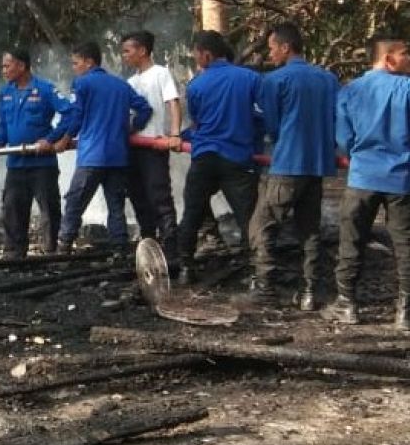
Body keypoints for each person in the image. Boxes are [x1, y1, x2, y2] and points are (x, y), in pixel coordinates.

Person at [241, 23, 340, 310]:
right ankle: (309, 292)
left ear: (286, 47)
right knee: (309, 229)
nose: (270, 54)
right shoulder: (328, 79)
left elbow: (272, 124)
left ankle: (264, 288)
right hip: (318, 164)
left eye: (272, 48)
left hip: (288, 163)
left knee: (262, 225)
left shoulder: (275, 80)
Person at [325, 35, 410, 328]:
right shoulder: (408, 89)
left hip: (362, 176)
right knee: (405, 244)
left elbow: (343, 139)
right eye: (405, 54)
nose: (409, 59)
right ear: (388, 59)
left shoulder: (350, 91)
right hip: (402, 179)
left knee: (352, 240)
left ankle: (347, 305)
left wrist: (358, 155)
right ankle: (405, 313)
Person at [176, 30, 263, 284]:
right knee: (247, 215)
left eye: (195, 55)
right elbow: (262, 116)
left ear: (206, 54)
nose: (195, 60)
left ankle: (186, 267)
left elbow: (197, 123)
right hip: (238, 157)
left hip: (204, 156)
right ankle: (255, 272)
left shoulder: (196, 86)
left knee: (191, 211)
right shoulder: (249, 78)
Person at [56, 41, 152, 253]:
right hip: (118, 157)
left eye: (76, 63)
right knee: (115, 205)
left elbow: (77, 115)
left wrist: (65, 138)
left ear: (89, 62)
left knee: (75, 201)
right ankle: (120, 248)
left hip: (92, 156)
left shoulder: (82, 84)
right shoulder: (120, 85)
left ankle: (64, 244)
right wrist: (132, 127)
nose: (74, 67)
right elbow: (144, 108)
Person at [0, 49, 73, 258]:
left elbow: (70, 113)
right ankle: (15, 253)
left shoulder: (45, 89)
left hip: (42, 164)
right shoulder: (5, 92)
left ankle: (51, 252)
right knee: (12, 209)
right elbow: (3, 124)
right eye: (3, 66)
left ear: (22, 66)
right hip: (15, 164)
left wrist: (51, 139)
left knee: (49, 210)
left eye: (7, 66)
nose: (3, 70)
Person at [120, 30, 182, 259]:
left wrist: (174, 133)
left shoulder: (161, 74)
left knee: (159, 196)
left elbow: (172, 103)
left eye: (128, 50)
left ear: (143, 51)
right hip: (133, 147)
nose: (124, 55)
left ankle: (172, 248)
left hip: (154, 146)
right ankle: (149, 244)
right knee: (137, 195)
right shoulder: (130, 82)